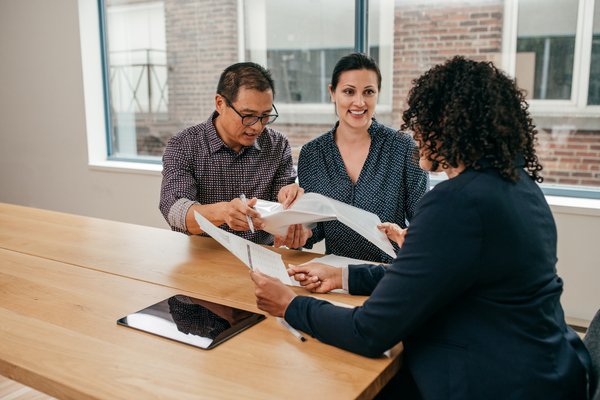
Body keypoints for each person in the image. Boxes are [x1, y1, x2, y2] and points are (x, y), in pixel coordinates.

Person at [250, 56, 591, 399]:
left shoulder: (456, 202)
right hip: (551, 369)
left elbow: (370, 332)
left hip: (497, 383)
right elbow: (432, 276)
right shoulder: (518, 186)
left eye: (422, 120)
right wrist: (344, 276)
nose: (416, 131)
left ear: (449, 125)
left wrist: (291, 305)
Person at [159, 62, 310, 248]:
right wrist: (223, 212)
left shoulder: (277, 145)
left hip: (263, 258)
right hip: (204, 259)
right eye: (248, 115)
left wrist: (291, 207)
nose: (257, 126)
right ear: (220, 103)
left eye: (265, 116)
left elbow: (282, 198)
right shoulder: (184, 145)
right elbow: (174, 210)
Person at [297, 53, 429, 263]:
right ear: (332, 93)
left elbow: (424, 223)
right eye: (349, 91)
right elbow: (317, 229)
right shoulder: (312, 154)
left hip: (390, 275)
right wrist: (300, 234)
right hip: (332, 274)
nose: (359, 102)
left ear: (378, 94)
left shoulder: (403, 148)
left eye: (368, 92)